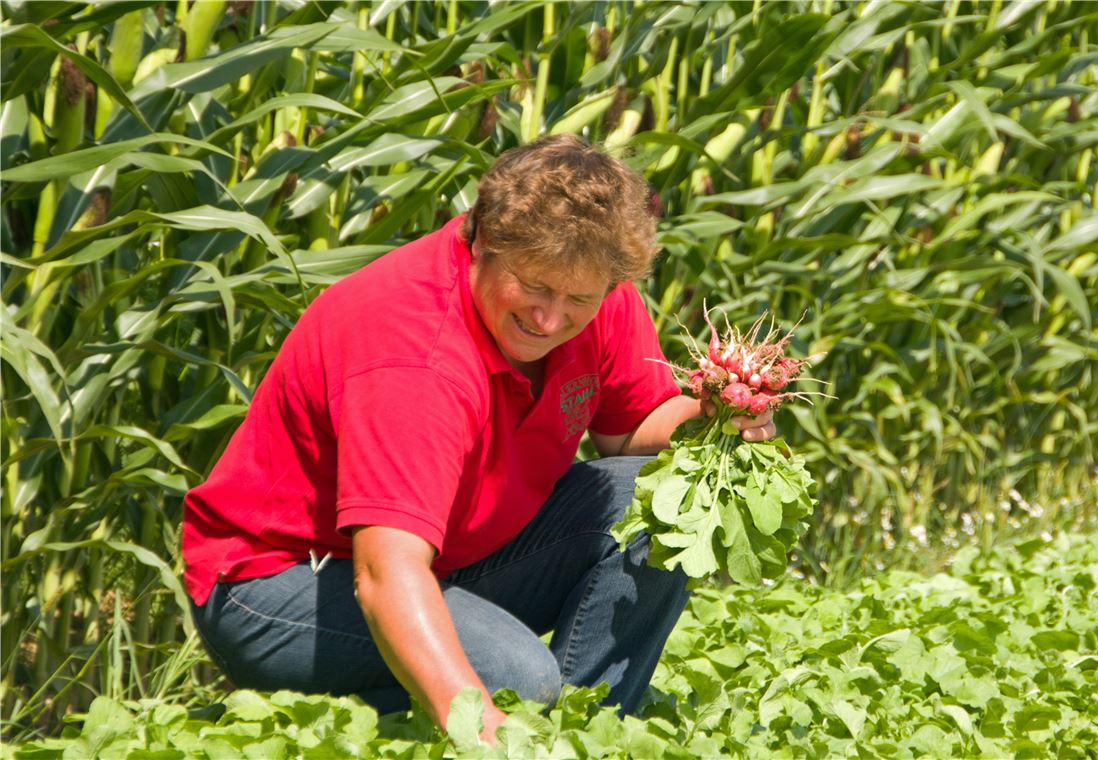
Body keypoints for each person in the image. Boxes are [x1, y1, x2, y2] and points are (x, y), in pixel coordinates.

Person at [182, 134, 777, 744]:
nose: (550, 318)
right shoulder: (416, 355)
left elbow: (627, 435)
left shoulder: (597, 295)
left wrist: (715, 417)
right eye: (535, 287)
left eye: (578, 298)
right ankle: (401, 727)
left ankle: (593, 735)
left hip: (443, 558)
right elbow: (385, 572)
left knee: (666, 493)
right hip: (280, 583)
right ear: (481, 243)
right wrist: (481, 728)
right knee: (515, 677)